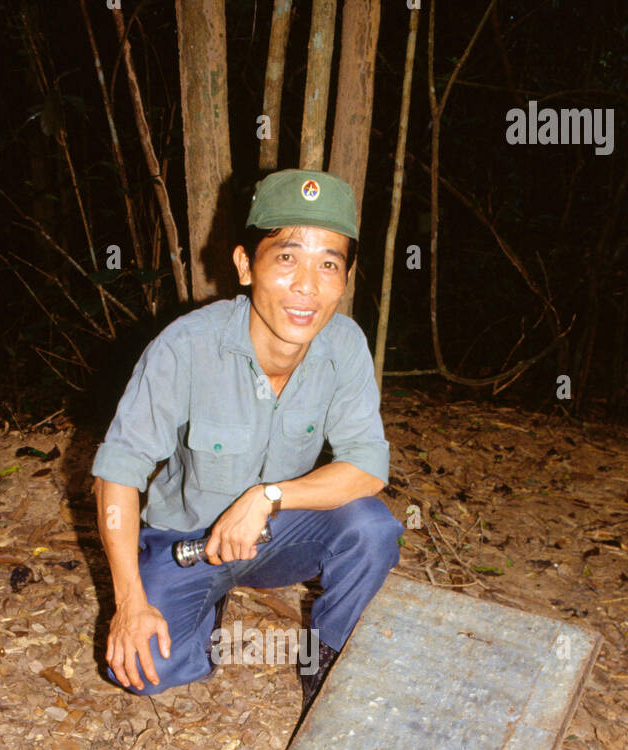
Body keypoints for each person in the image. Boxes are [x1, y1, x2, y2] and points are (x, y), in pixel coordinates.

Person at [91, 168, 403, 711]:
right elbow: (116, 473)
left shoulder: (344, 346)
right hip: (187, 543)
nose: (307, 285)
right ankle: (203, 605)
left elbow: (369, 467)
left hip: (277, 534)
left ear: (345, 280)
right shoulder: (187, 345)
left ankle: (326, 662)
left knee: (373, 528)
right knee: (146, 672)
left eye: (328, 263)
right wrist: (129, 602)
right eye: (286, 257)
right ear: (244, 265)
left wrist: (269, 497)